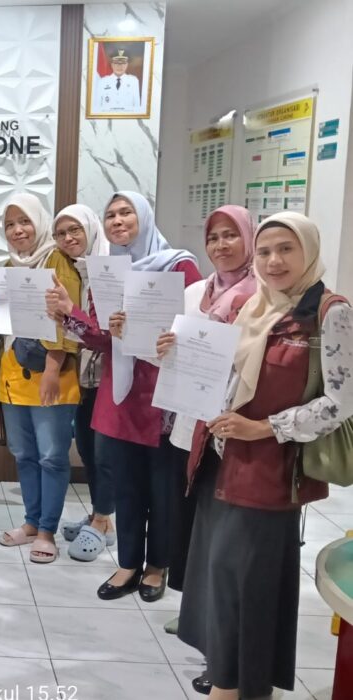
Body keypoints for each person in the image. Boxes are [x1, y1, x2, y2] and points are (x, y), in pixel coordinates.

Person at [173, 213, 353, 700]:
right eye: (267, 250)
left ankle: (236, 687)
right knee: (219, 581)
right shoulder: (253, 306)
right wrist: (178, 355)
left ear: (309, 251)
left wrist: (265, 428)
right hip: (218, 462)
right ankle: (228, 680)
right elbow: (225, 377)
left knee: (246, 586)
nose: (274, 261)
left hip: (268, 472)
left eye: (286, 249)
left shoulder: (329, 313)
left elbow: (340, 403)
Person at [47, 191, 201, 600]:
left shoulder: (179, 265)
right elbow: (100, 338)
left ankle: (157, 565)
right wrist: (70, 311)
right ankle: (129, 563)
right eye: (110, 214)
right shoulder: (109, 272)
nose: (117, 221)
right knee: (126, 487)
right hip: (120, 395)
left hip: (163, 398)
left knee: (162, 488)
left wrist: (170, 336)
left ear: (144, 216)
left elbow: (199, 327)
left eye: (126, 212)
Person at [158, 206, 256, 640]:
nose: (220, 245)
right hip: (189, 422)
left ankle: (220, 617)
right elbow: (174, 355)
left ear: (248, 238)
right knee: (192, 521)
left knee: (225, 526)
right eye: (213, 237)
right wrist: (164, 348)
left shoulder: (262, 296)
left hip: (234, 427)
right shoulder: (195, 292)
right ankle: (194, 608)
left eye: (231, 235)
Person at [0, 194, 81, 564]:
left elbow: (67, 319)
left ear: (39, 222)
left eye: (24, 221)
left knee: (51, 456)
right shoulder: (6, 266)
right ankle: (31, 523)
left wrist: (51, 369)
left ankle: (47, 530)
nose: (18, 230)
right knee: (24, 454)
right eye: (10, 224)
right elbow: (3, 323)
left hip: (52, 375)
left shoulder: (58, 260)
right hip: (13, 375)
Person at [50, 204, 117, 561]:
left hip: (113, 374)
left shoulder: (109, 268)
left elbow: (106, 330)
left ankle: (104, 521)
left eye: (74, 230)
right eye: (61, 233)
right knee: (89, 449)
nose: (68, 238)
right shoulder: (74, 270)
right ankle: (98, 514)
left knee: (105, 453)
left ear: (90, 229)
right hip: (86, 374)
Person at [93, 48, 142, 113]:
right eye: (116, 63)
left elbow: (137, 107)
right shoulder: (102, 82)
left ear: (127, 65)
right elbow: (97, 107)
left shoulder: (133, 81)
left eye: (123, 63)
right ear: (112, 65)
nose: (119, 66)